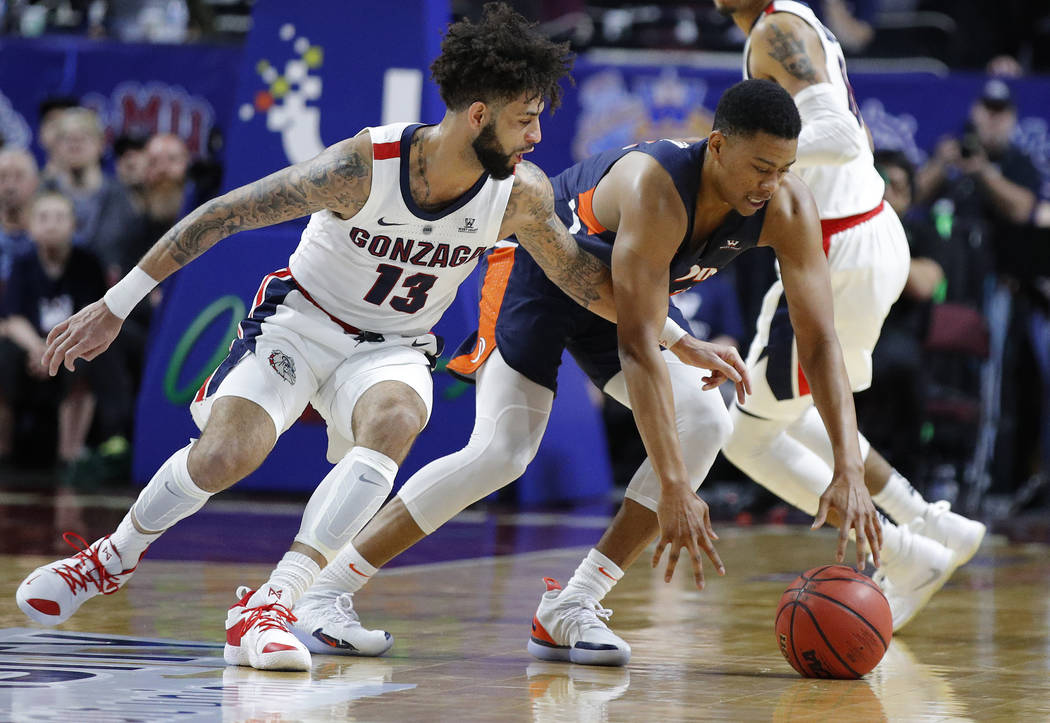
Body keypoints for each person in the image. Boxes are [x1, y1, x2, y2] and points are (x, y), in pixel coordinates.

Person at [15, 3, 637, 673]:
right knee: (227, 454)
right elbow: (225, 215)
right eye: (526, 118)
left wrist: (670, 338)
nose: (539, 136)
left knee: (398, 415)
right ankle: (110, 558)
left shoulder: (520, 195)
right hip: (302, 321)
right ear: (479, 116)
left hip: (393, 344)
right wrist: (115, 304)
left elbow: (578, 276)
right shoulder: (364, 165)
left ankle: (274, 602)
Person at [292, 78, 883, 668]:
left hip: (629, 297)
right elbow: (638, 348)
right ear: (719, 146)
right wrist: (674, 487)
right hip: (541, 274)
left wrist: (848, 467)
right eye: (760, 166)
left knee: (705, 416)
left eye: (784, 168)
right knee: (501, 452)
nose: (770, 184)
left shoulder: (787, 205)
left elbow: (820, 340)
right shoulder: (657, 188)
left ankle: (570, 608)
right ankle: (325, 593)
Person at [713, 0, 986, 632]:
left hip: (834, 250)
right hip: (856, 235)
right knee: (793, 412)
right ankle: (927, 522)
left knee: (748, 435)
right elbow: (853, 138)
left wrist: (737, 156)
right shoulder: (779, 27)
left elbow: (836, 135)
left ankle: (902, 550)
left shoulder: (777, 29)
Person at [0, 192, 122, 469]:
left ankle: (70, 458)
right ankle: (4, 454)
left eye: (59, 217)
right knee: (3, 355)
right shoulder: (22, 265)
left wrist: (55, 349)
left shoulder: (88, 264)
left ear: (73, 226)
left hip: (72, 346)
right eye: (43, 218)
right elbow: (12, 319)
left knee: (90, 359)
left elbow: (95, 318)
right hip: (30, 350)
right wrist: (39, 349)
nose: (51, 225)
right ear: (30, 227)